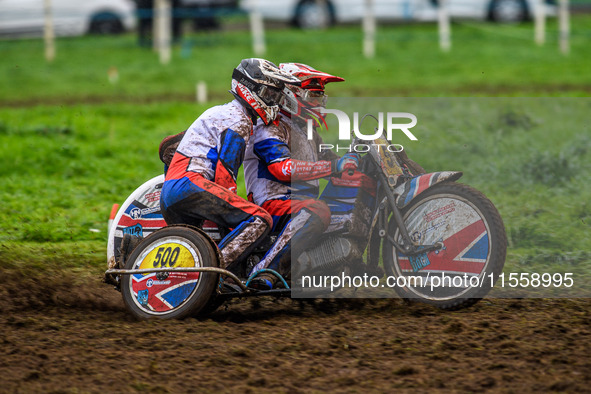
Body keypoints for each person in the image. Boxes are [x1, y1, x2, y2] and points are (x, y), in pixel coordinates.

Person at [160, 58, 301, 274]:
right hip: (190, 184)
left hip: (177, 187)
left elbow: (169, 144)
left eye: (275, 96)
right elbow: (225, 177)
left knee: (218, 235)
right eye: (268, 94)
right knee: (259, 219)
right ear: (249, 89)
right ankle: (213, 274)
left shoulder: (223, 112)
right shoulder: (239, 120)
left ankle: (195, 277)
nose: (273, 101)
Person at [243, 63, 358, 289]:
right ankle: (266, 271)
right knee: (318, 210)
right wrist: (335, 166)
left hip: (298, 204)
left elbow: (333, 164)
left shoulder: (308, 130)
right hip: (273, 204)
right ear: (290, 95)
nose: (318, 103)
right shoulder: (270, 127)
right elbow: (282, 168)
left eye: (320, 97)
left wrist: (360, 156)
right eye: (312, 96)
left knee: (353, 193)